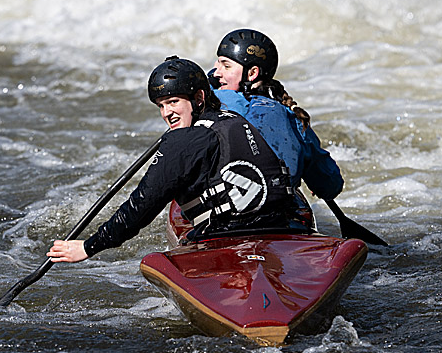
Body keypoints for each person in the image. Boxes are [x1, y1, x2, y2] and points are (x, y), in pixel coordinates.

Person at [47, 56, 308, 264]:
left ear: (199, 98)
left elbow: (142, 205)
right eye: (160, 105)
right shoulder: (235, 121)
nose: (166, 113)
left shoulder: (183, 141)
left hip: (223, 239)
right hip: (281, 230)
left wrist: (89, 246)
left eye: (173, 102)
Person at [209, 28, 344, 202]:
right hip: (280, 211)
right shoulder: (292, 117)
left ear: (252, 73)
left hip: (228, 209)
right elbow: (330, 185)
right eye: (218, 64)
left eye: (226, 66)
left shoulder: (215, 100)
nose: (217, 72)